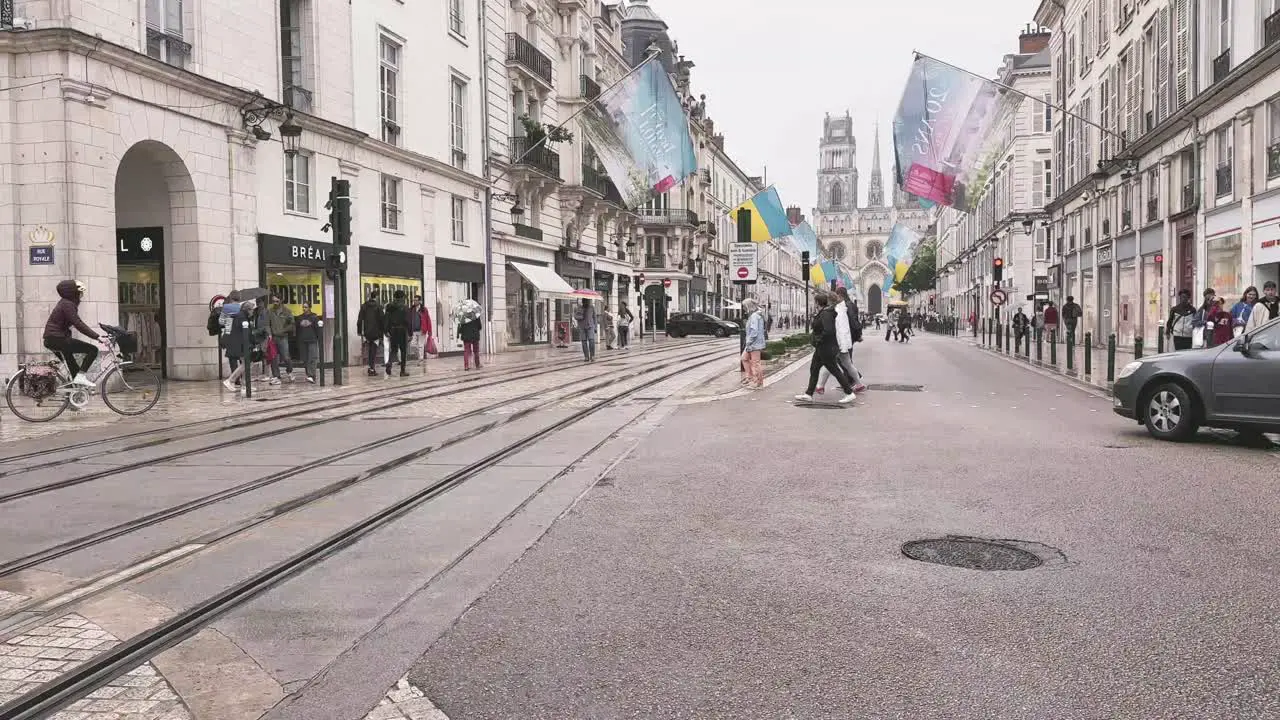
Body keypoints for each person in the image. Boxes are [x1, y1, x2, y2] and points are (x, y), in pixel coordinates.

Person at [795, 292, 856, 404]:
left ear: (817, 302)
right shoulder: (824, 312)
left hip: (826, 347)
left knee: (835, 370)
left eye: (815, 301)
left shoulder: (825, 314)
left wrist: (819, 339)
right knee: (814, 369)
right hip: (822, 347)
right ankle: (808, 393)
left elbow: (829, 330)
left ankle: (849, 392)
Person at [43, 279, 102, 387]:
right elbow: (78, 324)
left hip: (53, 339)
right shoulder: (67, 304)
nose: (81, 295)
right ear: (72, 293)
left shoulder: (65, 303)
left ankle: (72, 395)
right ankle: (80, 377)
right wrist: (97, 337)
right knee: (93, 350)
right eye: (79, 292)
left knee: (74, 370)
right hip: (57, 340)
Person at [817, 286, 865, 396]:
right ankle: (858, 384)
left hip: (839, 342)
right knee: (847, 364)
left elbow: (838, 328)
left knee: (830, 364)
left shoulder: (836, 311)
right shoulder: (843, 308)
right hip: (845, 341)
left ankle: (820, 386)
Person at [222, 300, 262, 392]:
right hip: (239, 345)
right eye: (252, 310)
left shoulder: (243, 316)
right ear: (248, 310)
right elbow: (246, 333)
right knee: (246, 363)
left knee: (248, 363)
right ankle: (230, 380)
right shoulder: (242, 318)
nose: (253, 311)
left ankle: (245, 385)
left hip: (241, 344)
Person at [266, 295, 295, 385]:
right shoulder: (270, 311)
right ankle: (276, 376)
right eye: (273, 301)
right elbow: (267, 324)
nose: (275, 303)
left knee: (286, 357)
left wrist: (284, 330)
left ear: (281, 301)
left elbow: (292, 324)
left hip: (283, 337)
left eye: (277, 301)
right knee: (273, 357)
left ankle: (289, 371)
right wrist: (269, 333)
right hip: (274, 337)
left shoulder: (287, 311)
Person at [356, 290, 385, 376]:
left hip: (367, 332)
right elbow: (382, 320)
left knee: (369, 349)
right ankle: (372, 368)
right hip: (376, 332)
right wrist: (383, 332)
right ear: (376, 297)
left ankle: (370, 367)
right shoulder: (379, 307)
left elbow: (360, 319)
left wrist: (359, 331)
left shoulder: (364, 306)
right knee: (373, 350)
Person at [383, 290, 411, 377]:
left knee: (394, 350)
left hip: (393, 330)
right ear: (402, 297)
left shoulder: (389, 307)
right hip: (402, 330)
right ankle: (402, 371)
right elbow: (408, 321)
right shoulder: (405, 307)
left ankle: (389, 363)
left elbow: (386, 319)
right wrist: (410, 333)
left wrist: (386, 330)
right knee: (403, 351)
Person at [740, 298, 766, 388]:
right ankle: (750, 377)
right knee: (744, 358)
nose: (743, 308)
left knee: (755, 363)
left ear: (748, 306)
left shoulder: (755, 316)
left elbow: (754, 331)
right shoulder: (755, 315)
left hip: (754, 343)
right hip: (753, 343)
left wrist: (749, 341)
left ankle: (758, 382)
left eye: (744, 306)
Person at [296, 302, 322, 383]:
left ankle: (312, 375)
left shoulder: (314, 317)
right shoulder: (299, 318)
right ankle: (308, 375)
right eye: (303, 307)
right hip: (303, 341)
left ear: (310, 307)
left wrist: (319, 338)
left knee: (312, 358)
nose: (304, 309)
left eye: (306, 307)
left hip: (312, 340)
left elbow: (318, 329)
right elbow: (298, 330)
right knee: (305, 359)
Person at [409, 295, 434, 365]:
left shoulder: (424, 309)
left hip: (422, 330)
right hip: (414, 330)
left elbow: (428, 320)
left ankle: (420, 359)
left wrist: (430, 331)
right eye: (414, 300)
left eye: (416, 300)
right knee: (412, 345)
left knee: (421, 345)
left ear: (420, 301)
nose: (415, 301)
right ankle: (419, 356)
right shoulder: (412, 309)